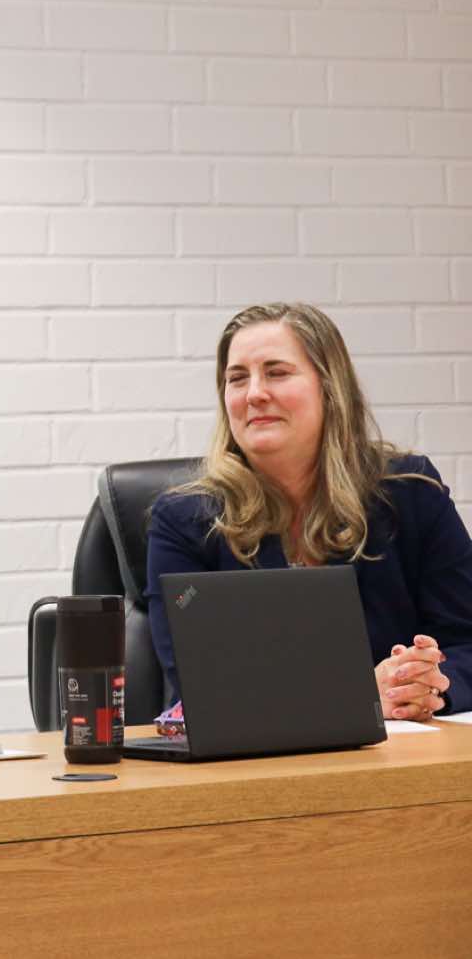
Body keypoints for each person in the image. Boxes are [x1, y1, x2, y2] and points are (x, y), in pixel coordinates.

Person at [146, 301, 472, 722]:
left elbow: (466, 643)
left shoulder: (409, 492)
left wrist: (427, 685)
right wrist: (359, 691)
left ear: (330, 388)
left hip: (405, 754)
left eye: (277, 373)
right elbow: (202, 685)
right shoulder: (185, 520)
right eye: (237, 378)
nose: (254, 393)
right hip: (251, 757)